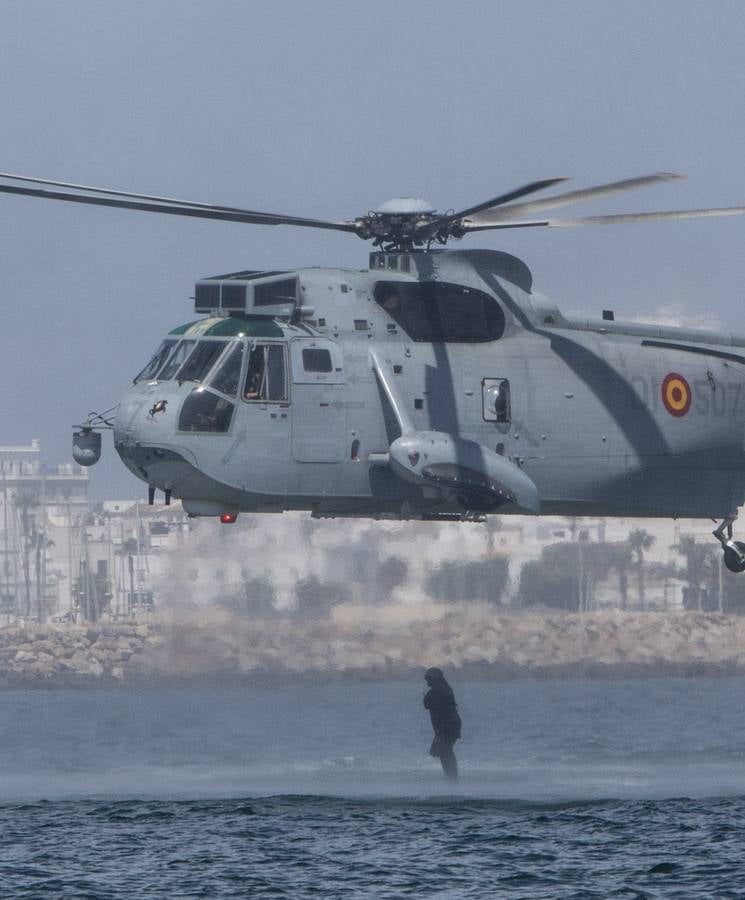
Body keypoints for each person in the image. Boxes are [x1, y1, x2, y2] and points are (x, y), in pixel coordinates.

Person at [423, 667, 461, 780]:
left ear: (436, 679)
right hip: (447, 726)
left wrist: (440, 732)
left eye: (429, 680)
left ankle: (452, 777)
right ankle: (451, 776)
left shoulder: (439, 690)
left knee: (444, 751)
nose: (428, 683)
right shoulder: (443, 689)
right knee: (443, 751)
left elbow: (427, 703)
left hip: (447, 726)